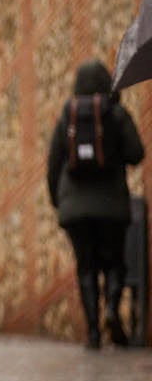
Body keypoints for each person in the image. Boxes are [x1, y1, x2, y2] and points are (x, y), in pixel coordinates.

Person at [46, 59, 144, 349]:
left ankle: (92, 333)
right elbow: (137, 152)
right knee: (115, 261)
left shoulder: (68, 114)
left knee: (86, 266)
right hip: (112, 206)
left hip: (75, 210)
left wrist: (58, 200)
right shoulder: (115, 112)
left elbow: (53, 163)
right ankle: (112, 309)